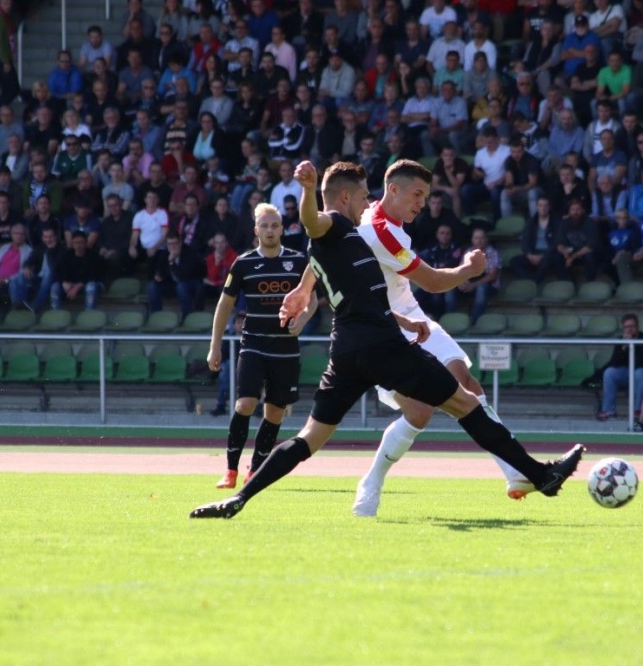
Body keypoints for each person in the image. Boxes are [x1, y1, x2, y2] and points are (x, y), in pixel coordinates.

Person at [189, 161, 584, 519]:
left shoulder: (349, 238)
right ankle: (541, 476)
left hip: (347, 350)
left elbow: (361, 297)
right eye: (364, 195)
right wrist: (308, 190)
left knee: (309, 438)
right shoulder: (334, 224)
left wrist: (402, 319)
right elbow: (312, 221)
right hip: (382, 347)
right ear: (346, 197)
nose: (369, 202)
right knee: (465, 403)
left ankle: (238, 499)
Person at [290, 159, 532, 517]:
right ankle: (371, 481)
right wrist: (469, 269)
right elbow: (432, 281)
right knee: (419, 413)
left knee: (466, 382)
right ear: (393, 190)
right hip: (381, 327)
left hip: (413, 315)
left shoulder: (371, 217)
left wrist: (303, 287)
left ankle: (515, 471)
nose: (422, 203)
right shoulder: (378, 230)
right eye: (417, 194)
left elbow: (329, 248)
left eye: (426, 196)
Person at [207, 203, 316, 489]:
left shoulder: (298, 262)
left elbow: (312, 299)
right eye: (264, 226)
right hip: (253, 345)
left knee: (275, 412)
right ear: (256, 230)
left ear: (282, 229)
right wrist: (215, 346)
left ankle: (255, 469)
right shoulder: (243, 263)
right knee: (245, 404)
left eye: (274, 225)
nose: (270, 230)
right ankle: (230, 470)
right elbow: (225, 304)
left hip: (286, 349)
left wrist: (302, 319)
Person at [591, 313, 643, 423]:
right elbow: (615, 362)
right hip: (630, 371)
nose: (629, 329)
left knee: (639, 373)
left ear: (637, 327)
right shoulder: (621, 340)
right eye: (626, 327)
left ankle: (638, 410)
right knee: (610, 372)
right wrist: (624, 347)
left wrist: (632, 345)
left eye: (632, 326)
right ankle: (609, 410)